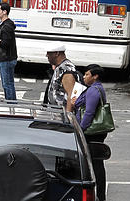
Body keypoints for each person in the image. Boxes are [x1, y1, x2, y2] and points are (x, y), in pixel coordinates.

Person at [71, 64, 109, 201]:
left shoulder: (94, 90)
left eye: (87, 74)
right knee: (95, 162)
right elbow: (80, 104)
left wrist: (80, 129)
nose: (84, 77)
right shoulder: (92, 89)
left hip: (93, 132)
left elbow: (89, 113)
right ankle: (99, 194)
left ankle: (100, 195)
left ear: (95, 76)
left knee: (96, 163)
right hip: (92, 131)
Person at [44, 44, 80, 110]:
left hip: (61, 115)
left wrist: (67, 115)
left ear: (57, 53)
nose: (47, 55)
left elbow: (71, 95)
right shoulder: (60, 67)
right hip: (55, 112)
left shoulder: (66, 69)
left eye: (49, 53)